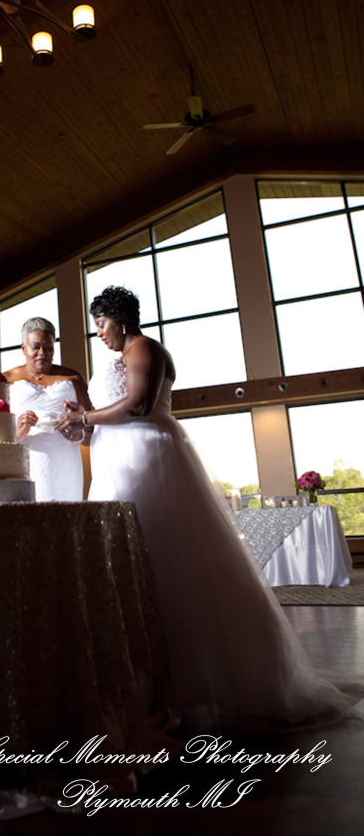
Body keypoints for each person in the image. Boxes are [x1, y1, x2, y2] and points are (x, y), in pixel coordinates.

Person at [56, 285, 363, 732]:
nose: (98, 333)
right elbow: (109, 416)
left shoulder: (145, 349)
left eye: (101, 324)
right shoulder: (117, 358)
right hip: (115, 461)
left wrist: (85, 417)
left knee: (164, 556)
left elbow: (138, 405)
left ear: (120, 318)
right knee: (127, 558)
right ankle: (142, 669)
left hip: (147, 457)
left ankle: (189, 676)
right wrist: (82, 423)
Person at [5, 317, 92, 501]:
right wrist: (17, 432)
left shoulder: (73, 378)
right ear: (23, 348)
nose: (42, 353)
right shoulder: (6, 380)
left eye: (48, 347)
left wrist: (79, 434)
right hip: (25, 464)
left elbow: (93, 429)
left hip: (66, 464)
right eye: (35, 346)